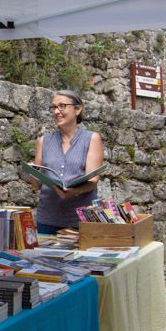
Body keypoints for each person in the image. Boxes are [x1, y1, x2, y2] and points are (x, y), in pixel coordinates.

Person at [28, 89, 104, 234]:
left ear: (77, 109)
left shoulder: (92, 139)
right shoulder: (43, 141)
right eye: (54, 107)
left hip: (80, 220)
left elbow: (93, 179)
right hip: (47, 219)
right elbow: (37, 185)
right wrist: (33, 172)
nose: (56, 111)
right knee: (45, 257)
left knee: (80, 257)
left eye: (62, 106)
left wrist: (74, 191)